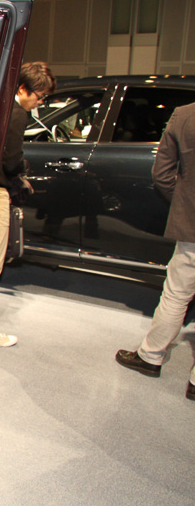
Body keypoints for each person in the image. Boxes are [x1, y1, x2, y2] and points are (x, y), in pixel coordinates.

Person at [0, 61, 55, 346]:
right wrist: (20, 175)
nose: (40, 102)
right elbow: (12, 159)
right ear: (23, 89)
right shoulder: (16, 115)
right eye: (39, 96)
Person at [116, 101, 195, 400]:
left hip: (192, 227)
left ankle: (150, 356)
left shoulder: (185, 115)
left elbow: (162, 175)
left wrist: (185, 204)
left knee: (176, 294)